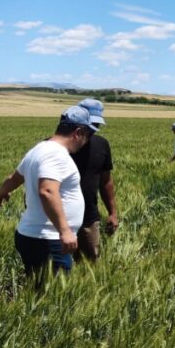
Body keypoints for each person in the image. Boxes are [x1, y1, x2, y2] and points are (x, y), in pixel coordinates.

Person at [0, 106, 97, 282]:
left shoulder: (39, 149)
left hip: (34, 237)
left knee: (38, 289)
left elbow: (14, 178)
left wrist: (0, 195)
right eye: (88, 136)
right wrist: (65, 231)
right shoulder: (56, 154)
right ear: (78, 132)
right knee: (54, 295)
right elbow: (47, 191)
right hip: (49, 239)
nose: (86, 142)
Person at [72, 98, 118, 263]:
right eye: (90, 123)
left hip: (89, 218)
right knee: (57, 268)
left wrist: (112, 213)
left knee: (91, 265)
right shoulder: (55, 146)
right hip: (55, 219)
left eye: (96, 123)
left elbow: (106, 182)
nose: (94, 128)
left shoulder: (102, 145)